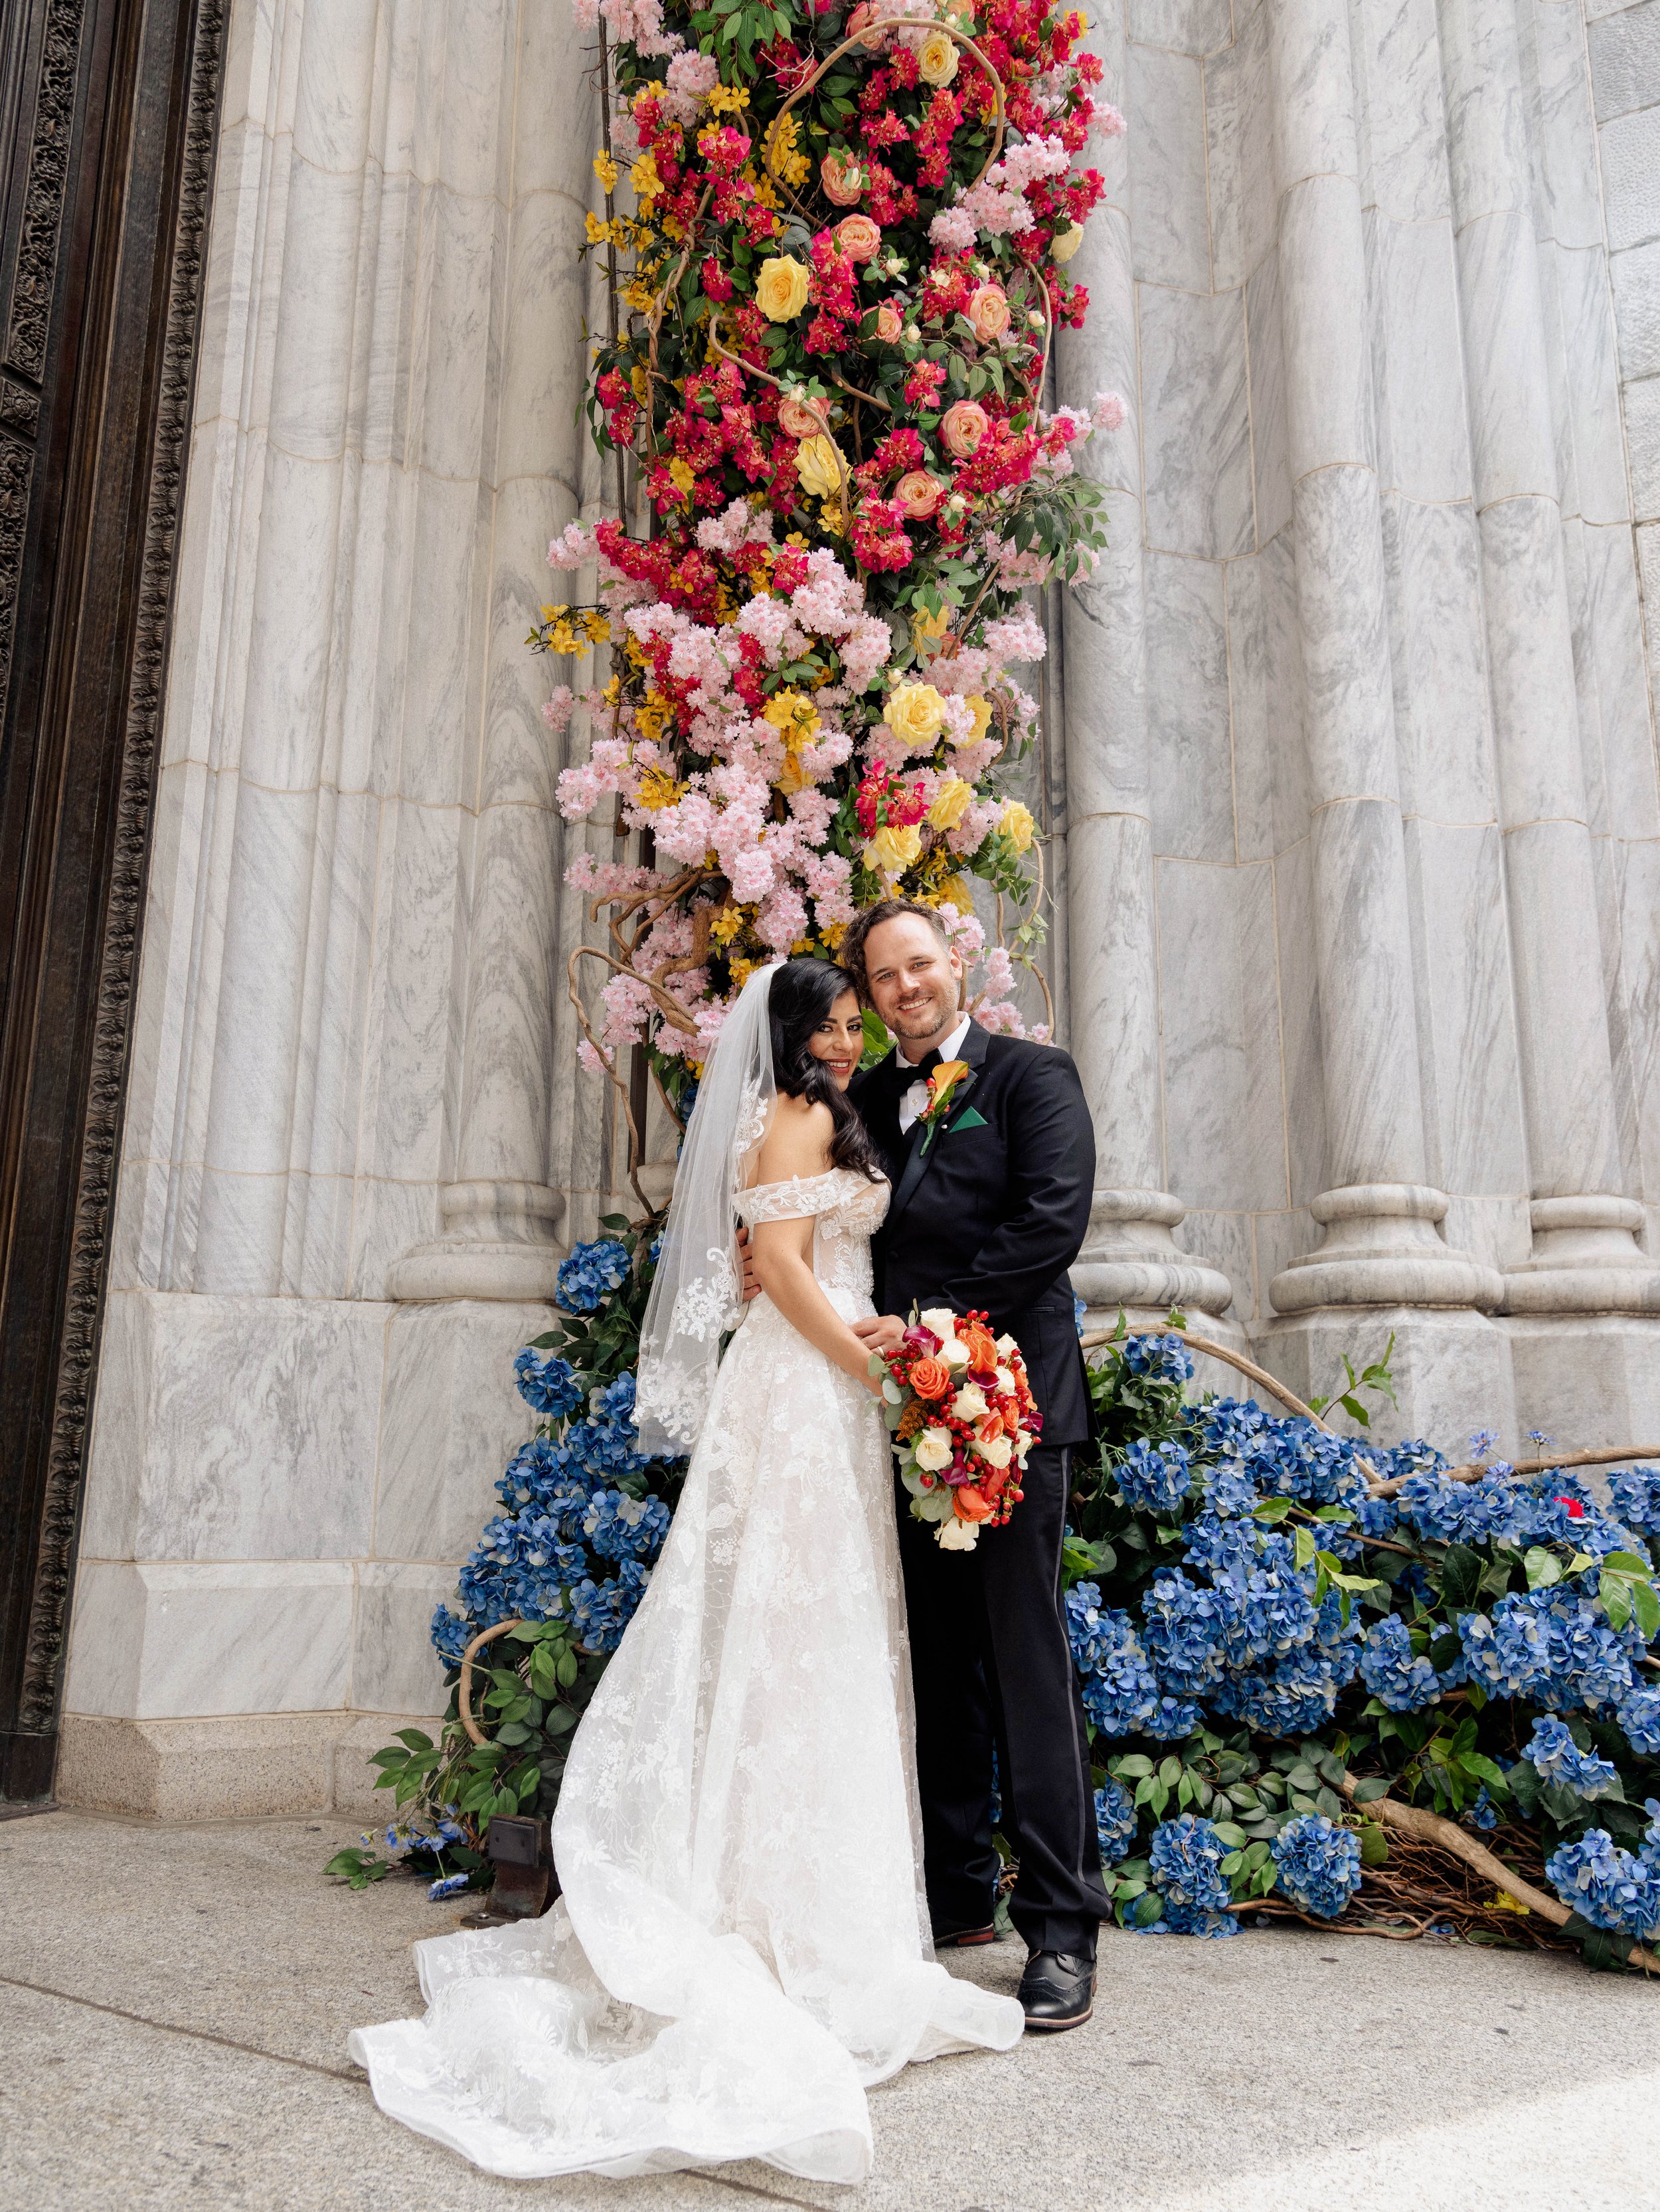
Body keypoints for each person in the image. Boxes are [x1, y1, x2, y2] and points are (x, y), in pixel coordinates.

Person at [349, 958, 1021, 2185]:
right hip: (808, 1386)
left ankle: (791, 1896)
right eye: (833, 1013)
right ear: (794, 1031)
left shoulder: (808, 1109)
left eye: (853, 1012)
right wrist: (884, 1377)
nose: (849, 1027)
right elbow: (792, 1274)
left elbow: (790, 1268)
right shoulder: (804, 1113)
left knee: (801, 1635)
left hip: (816, 1382)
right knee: (791, 1635)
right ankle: (769, 1917)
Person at [842, 898, 1110, 2033]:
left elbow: (1051, 1224)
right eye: (886, 977)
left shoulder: (1032, 1079)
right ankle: (955, 1897)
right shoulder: (859, 1102)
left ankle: (1062, 1926)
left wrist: (930, 1331)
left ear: (958, 966)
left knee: (1022, 1659)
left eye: (922, 965)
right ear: (871, 998)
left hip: (1011, 1407)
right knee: (936, 1659)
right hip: (901, 1417)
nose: (908, 987)